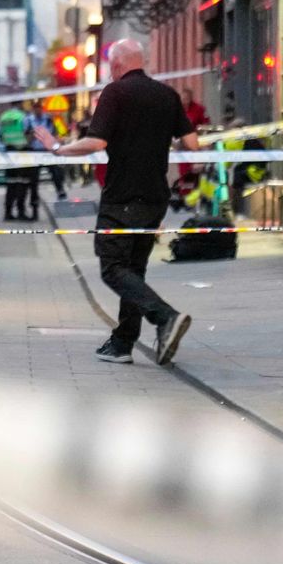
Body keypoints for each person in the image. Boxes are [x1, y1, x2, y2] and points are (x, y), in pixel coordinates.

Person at [42, 39, 202, 366]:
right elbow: (192, 144)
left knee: (113, 268)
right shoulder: (167, 95)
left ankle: (165, 317)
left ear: (116, 65)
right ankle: (123, 343)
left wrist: (58, 149)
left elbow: (96, 141)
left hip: (122, 196)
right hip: (157, 196)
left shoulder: (115, 93)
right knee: (134, 270)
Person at [0, 99, 33, 220]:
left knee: (11, 184)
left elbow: (0, 137)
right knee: (22, 183)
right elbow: (28, 133)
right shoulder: (24, 116)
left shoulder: (4, 117)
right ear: (20, 104)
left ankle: (8, 212)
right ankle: (21, 212)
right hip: (22, 152)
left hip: (9, 152)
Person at [28, 100, 68, 204]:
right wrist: (32, 134)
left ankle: (60, 191)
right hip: (35, 151)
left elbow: (54, 133)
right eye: (35, 108)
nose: (37, 110)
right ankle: (34, 197)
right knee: (34, 177)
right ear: (33, 109)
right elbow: (27, 137)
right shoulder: (29, 120)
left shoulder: (48, 119)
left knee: (55, 172)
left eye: (39, 108)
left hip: (47, 150)